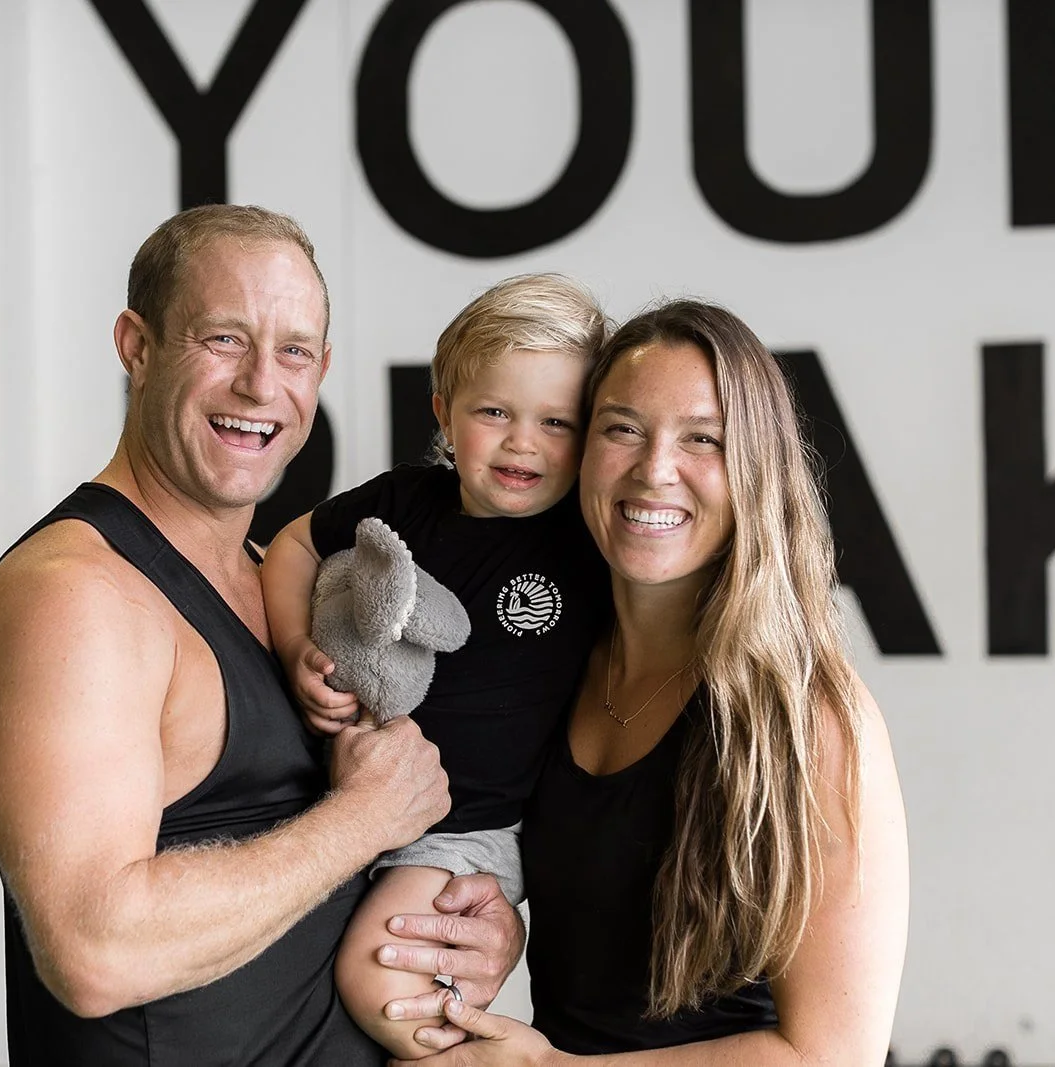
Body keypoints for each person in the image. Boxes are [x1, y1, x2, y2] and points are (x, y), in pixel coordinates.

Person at [0, 204, 523, 1066]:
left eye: (294, 352)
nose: (260, 385)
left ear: (321, 371)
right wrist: (362, 819)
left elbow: (319, 879)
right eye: (223, 339)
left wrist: (473, 925)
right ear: (137, 346)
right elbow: (94, 951)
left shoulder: (271, 575)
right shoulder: (74, 597)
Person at [376, 300, 910, 1064]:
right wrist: (494, 916)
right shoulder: (552, 663)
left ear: (755, 468)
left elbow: (831, 1054)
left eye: (703, 438)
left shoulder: (812, 714)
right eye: (622, 429)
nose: (654, 469)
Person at [261, 274, 610, 1059]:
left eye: (557, 422)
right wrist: (294, 649)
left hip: (464, 829)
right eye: (495, 412)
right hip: (344, 798)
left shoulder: (585, 541)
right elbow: (292, 547)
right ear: (445, 412)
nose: (523, 442)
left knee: (379, 982)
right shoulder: (404, 502)